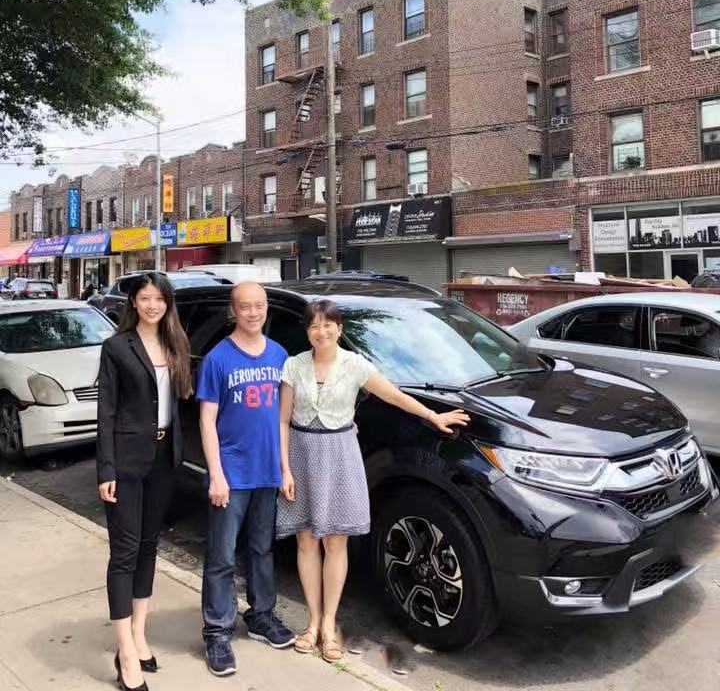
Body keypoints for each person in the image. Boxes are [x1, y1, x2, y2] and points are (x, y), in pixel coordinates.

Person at [277, 299, 470, 663]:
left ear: (339, 329)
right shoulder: (293, 365)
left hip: (340, 455)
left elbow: (394, 395)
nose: (321, 331)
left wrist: (433, 416)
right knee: (306, 540)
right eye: (314, 325)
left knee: (336, 541)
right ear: (307, 331)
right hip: (301, 455)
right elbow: (282, 420)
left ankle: (330, 624)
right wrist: (284, 469)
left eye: (328, 324)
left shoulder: (355, 365)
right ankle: (313, 622)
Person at [96, 272, 192, 691]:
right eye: (145, 298)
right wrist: (106, 469)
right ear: (133, 302)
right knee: (125, 552)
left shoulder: (175, 343)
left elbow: (182, 400)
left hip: (164, 458)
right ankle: (124, 653)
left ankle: (138, 634)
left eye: (159, 299)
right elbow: (106, 412)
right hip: (126, 460)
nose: (153, 305)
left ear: (168, 304)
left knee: (150, 545)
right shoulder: (117, 346)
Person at [197, 281, 294, 677]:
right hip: (232, 474)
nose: (253, 313)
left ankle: (261, 615)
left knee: (261, 549)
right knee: (222, 555)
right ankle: (217, 631)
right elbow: (206, 420)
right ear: (233, 311)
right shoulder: (217, 359)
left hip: (266, 472)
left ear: (266, 308)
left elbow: (284, 417)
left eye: (259, 305)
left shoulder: (280, 355)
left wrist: (285, 468)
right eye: (245, 306)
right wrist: (216, 474)